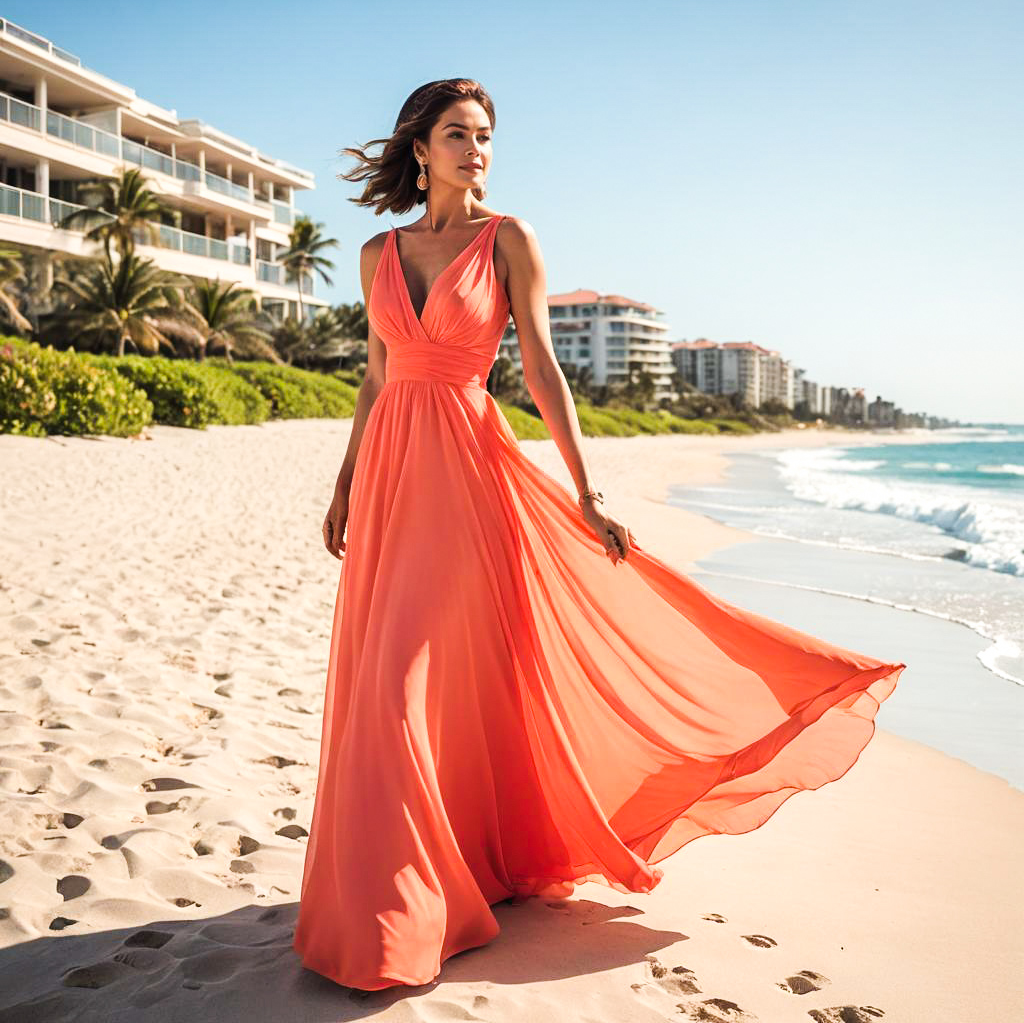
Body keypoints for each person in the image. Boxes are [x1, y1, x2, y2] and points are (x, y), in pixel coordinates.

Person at [292, 77, 905, 992]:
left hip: (468, 479)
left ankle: (400, 912)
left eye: (485, 135)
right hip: (388, 481)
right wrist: (344, 484)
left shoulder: (508, 240)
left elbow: (542, 369)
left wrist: (586, 487)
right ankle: (440, 874)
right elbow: (378, 379)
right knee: (392, 681)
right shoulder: (379, 250)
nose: (476, 149)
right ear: (418, 147)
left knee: (403, 688)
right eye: (457, 134)